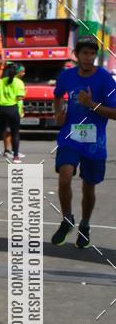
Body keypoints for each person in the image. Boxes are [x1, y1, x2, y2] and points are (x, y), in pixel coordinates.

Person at [51, 35, 116, 248]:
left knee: (89, 188)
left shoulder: (105, 79)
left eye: (92, 53)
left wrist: (92, 105)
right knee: (65, 176)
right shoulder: (66, 76)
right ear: (76, 55)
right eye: (84, 53)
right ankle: (67, 219)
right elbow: (58, 96)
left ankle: (85, 225)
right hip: (70, 136)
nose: (88, 58)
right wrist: (59, 113)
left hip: (94, 142)